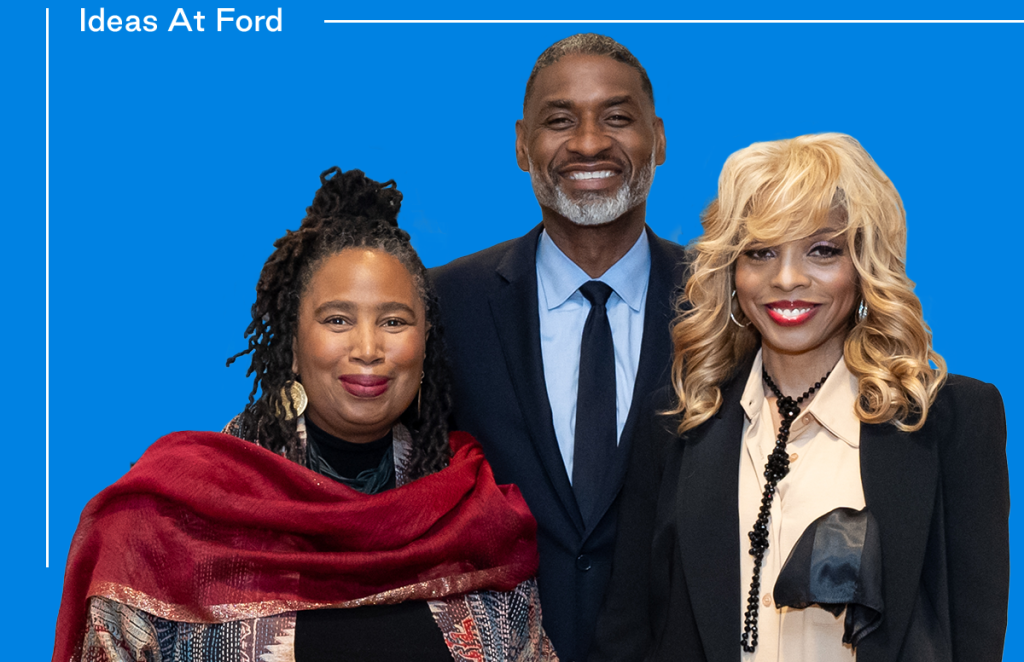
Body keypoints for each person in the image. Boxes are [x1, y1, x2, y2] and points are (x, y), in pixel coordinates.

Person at [53, 168, 557, 662]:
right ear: (293, 345)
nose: (367, 347)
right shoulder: (168, 519)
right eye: (337, 319)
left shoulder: (474, 515)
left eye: (394, 321)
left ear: (425, 345)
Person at [591, 133, 1009, 662]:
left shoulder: (949, 420)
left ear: (864, 265)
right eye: (760, 252)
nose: (787, 278)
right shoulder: (679, 423)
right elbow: (630, 631)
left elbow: (975, 633)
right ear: (731, 272)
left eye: (822, 250)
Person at [431, 34, 687, 662]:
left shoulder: (725, 303)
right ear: (522, 144)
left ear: (658, 138)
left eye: (618, 118)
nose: (591, 142)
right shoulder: (443, 304)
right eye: (560, 121)